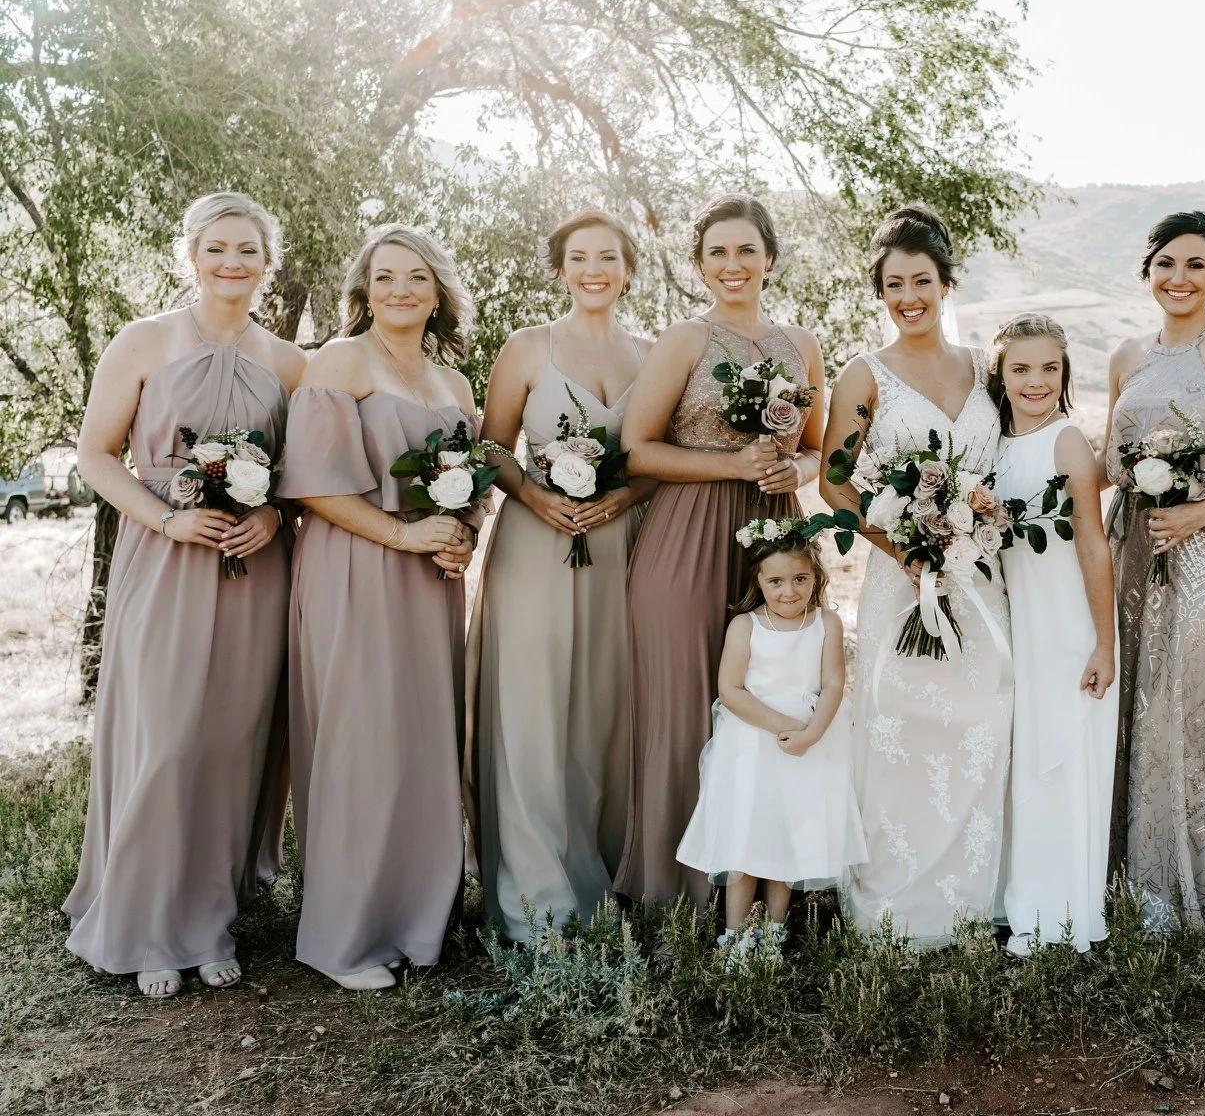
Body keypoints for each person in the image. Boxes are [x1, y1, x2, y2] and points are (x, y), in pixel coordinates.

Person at [64, 192, 305, 999]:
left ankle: (207, 922)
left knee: (231, 742)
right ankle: (144, 924)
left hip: (253, 571)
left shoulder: (291, 362)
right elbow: (96, 458)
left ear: (268, 262)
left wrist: (272, 515)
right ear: (191, 256)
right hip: (165, 557)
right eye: (217, 249)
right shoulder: (143, 341)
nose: (232, 264)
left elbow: (304, 479)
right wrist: (168, 520)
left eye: (248, 250)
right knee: (164, 739)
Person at [279, 224, 480, 990]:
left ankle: (415, 922)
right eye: (386, 276)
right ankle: (345, 937)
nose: (401, 290)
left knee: (419, 742)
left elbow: (468, 486)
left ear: (438, 293)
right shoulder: (340, 361)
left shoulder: (454, 385)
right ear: (364, 290)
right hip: (356, 570)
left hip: (431, 581)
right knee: (363, 742)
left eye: (417, 277)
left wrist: (463, 533)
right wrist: (403, 532)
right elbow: (315, 485)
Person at [616, 194, 825, 907]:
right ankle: (675, 896)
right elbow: (636, 450)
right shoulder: (685, 339)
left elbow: (821, 449)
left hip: (775, 536)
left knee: (770, 697)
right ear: (699, 265)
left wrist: (792, 471)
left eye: (745, 251)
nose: (732, 265)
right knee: (682, 708)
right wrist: (732, 465)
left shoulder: (802, 344)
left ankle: (761, 887)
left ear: (769, 257)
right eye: (717, 253)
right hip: (686, 534)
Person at [821, 204, 1012, 943]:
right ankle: (895, 909)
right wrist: (902, 545)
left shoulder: (981, 369)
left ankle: (970, 901)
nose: (909, 296)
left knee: (978, 726)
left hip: (981, 579)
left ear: (945, 283)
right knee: (903, 728)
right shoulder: (864, 374)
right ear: (880, 291)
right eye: (894, 283)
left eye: (922, 280)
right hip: (901, 579)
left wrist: (973, 528)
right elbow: (837, 484)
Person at [468, 209, 656, 940]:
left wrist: (620, 497)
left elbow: (657, 461)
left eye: (608, 256)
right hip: (534, 544)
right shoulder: (525, 350)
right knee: (533, 707)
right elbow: (492, 450)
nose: (594, 269)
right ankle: (535, 899)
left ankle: (607, 874)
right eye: (579, 257)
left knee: (607, 709)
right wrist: (536, 496)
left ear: (629, 269)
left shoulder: (652, 354)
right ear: (560, 268)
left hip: (620, 543)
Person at [1103, 214, 1205, 931]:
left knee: (1188, 701)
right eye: (1166, 263)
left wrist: (1199, 514)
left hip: (1204, 549)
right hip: (1131, 543)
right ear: (1148, 272)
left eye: (1196, 265)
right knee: (1132, 695)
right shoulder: (1126, 355)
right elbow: (1112, 458)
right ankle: (1125, 877)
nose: (1179, 277)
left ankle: (1191, 884)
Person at [990, 315, 1119, 954]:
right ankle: (1021, 900)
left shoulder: (1067, 442)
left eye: (1049, 368)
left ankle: (1064, 914)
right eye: (1021, 368)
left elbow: (1094, 548)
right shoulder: (992, 445)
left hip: (1069, 622)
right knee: (1024, 762)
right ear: (1001, 375)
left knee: (1065, 761)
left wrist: (1104, 643)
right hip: (1017, 623)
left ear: (1065, 374)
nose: (1036, 381)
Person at [676, 518, 865, 945]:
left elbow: (835, 683)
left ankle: (774, 933)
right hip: (753, 745)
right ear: (758, 581)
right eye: (776, 581)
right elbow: (730, 690)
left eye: (800, 579)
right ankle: (734, 935)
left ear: (815, 576)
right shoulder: (745, 626)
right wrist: (788, 728)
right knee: (746, 837)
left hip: (809, 746)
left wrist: (813, 733)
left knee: (788, 837)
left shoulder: (827, 623)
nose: (789, 591)